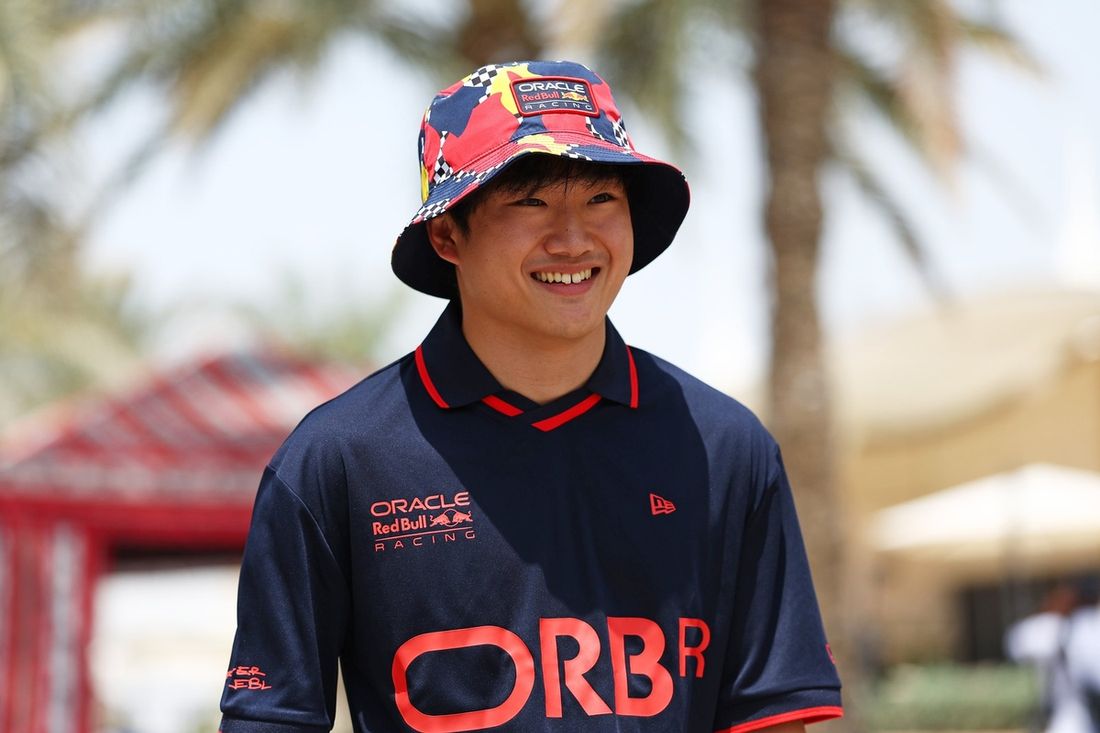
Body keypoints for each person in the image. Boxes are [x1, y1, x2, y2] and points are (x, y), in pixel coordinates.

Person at [219, 59, 843, 733]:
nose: (573, 239)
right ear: (447, 233)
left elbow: (771, 717)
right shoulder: (336, 460)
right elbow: (272, 718)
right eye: (530, 202)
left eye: (601, 198)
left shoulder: (726, 448)